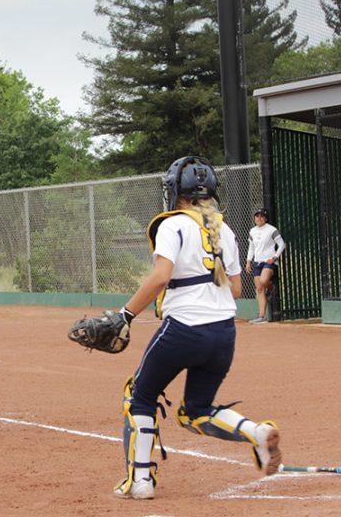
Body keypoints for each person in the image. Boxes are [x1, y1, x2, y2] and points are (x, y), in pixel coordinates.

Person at [110, 156, 281, 500]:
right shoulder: (226, 229)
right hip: (223, 334)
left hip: (183, 329)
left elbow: (160, 276)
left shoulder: (172, 225)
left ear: (176, 191)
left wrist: (125, 315)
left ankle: (140, 481)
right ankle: (256, 432)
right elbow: (235, 288)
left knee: (139, 396)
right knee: (196, 411)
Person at [246, 208, 286, 324]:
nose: (259, 218)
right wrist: (249, 261)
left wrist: (274, 257)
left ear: (266, 218)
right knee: (259, 288)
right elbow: (251, 248)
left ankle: (271, 288)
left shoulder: (271, 230)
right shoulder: (252, 231)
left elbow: (282, 244)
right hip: (257, 262)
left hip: (269, 261)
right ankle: (262, 316)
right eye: (257, 216)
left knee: (263, 281)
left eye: (262, 216)